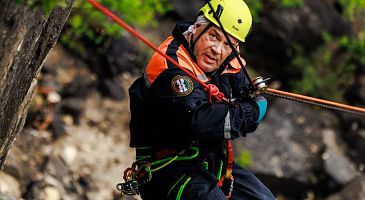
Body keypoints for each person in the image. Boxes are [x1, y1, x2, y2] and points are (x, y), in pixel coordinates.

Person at [127, 0, 275, 199]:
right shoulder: (171, 67)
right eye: (213, 36)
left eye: (228, 44)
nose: (217, 49)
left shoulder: (228, 58)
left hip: (209, 160)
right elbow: (201, 120)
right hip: (168, 169)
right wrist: (253, 111)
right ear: (197, 28)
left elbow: (242, 91)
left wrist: (252, 101)